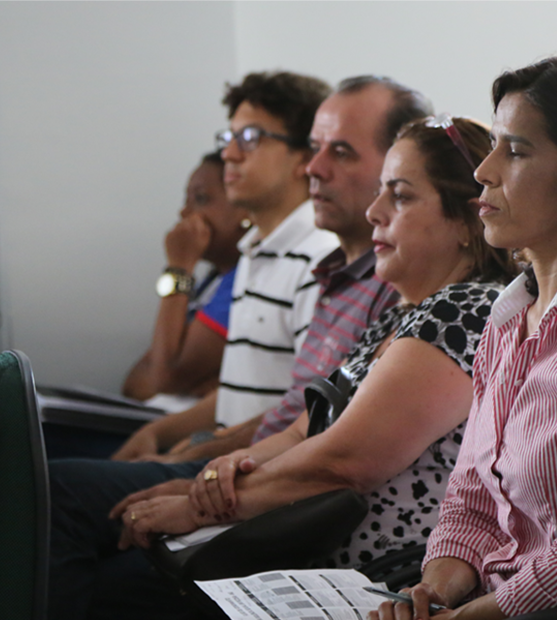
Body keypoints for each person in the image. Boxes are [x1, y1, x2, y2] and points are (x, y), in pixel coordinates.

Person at [47, 75, 430, 620]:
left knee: (60, 495)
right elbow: (292, 413)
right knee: (75, 517)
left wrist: (201, 476)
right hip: (250, 467)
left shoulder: (372, 278)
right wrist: (187, 449)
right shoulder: (301, 262)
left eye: (250, 137)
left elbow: (179, 378)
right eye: (316, 149)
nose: (314, 167)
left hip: (292, 500)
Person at [114, 115, 518, 618]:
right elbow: (300, 434)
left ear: (463, 220)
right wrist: (207, 481)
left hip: (391, 586)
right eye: (379, 193)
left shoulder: (465, 310)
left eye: (400, 196)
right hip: (313, 564)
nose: (373, 212)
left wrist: (198, 506)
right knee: (130, 574)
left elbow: (344, 460)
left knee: (125, 578)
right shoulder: (397, 316)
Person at [371, 58, 557, 620]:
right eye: (492, 144)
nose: (483, 170)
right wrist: (431, 595)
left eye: (516, 151)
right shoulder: (506, 323)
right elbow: (473, 498)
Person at [111, 70, 338, 463]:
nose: (230, 154)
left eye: (250, 138)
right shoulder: (254, 252)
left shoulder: (320, 258)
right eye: (229, 138)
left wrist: (189, 457)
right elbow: (238, 396)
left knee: (59, 490)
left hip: (257, 472)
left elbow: (309, 411)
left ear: (303, 158)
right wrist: (158, 432)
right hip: (222, 457)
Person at [122, 152, 250, 403]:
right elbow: (135, 383)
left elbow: (164, 376)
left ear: (244, 205)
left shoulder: (242, 282)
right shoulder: (214, 280)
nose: (184, 212)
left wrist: (179, 268)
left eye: (201, 198)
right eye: (186, 199)